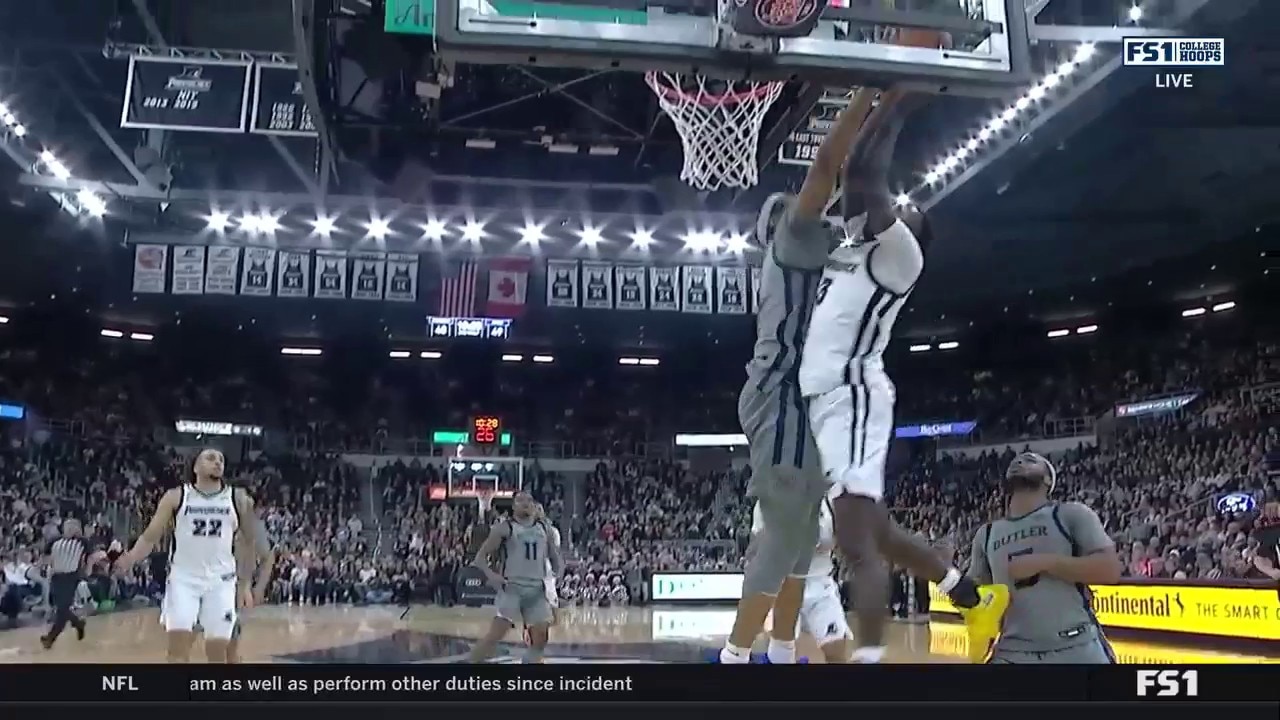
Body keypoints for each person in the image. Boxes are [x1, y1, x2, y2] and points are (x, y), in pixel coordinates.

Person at [795, 89, 1005, 663]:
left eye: (906, 209)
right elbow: (847, 180)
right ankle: (971, 596)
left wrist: (896, 100)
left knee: (856, 542)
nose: (896, 206)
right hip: (820, 401)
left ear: (912, 233)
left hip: (852, 395)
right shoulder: (852, 247)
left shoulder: (901, 256)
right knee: (878, 532)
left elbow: (862, 175)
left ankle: (870, 661)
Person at [717, 86, 885, 665]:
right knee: (786, 533)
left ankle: (782, 654)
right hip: (782, 392)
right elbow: (826, 168)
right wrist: (869, 93)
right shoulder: (793, 238)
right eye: (812, 204)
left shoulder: (823, 261)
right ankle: (735, 657)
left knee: (803, 542)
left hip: (806, 400)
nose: (825, 207)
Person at [967, 452, 1122, 663]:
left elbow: (1110, 569)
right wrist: (946, 569)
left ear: (1048, 480)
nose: (1020, 461)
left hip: (1076, 644)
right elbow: (972, 596)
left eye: (1031, 461)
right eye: (1016, 461)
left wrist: (1045, 562)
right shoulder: (986, 534)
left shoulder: (1069, 514)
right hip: (1012, 651)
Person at [115, 448, 260, 663]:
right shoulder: (177, 496)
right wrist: (130, 558)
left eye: (221, 459)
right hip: (184, 579)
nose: (218, 462)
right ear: (195, 467)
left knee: (218, 653)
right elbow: (151, 536)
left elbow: (249, 543)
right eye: (210, 458)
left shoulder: (237, 499)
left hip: (221, 581)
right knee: (177, 651)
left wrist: (246, 584)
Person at [752, 490, 851, 663]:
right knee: (781, 656)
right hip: (783, 586)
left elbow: (837, 542)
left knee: (836, 652)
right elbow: (760, 543)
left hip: (820, 584)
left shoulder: (827, 500)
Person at [468, 491, 563, 663]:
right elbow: (480, 558)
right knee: (495, 636)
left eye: (529, 500)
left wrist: (557, 575)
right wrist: (492, 575)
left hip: (537, 590)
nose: (525, 503)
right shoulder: (504, 528)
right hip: (512, 588)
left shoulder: (544, 529)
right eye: (520, 500)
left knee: (541, 638)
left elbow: (555, 558)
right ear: (513, 506)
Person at [40, 519, 101, 648]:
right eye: (68, 526)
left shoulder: (82, 541)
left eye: (73, 527)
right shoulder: (54, 540)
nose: (70, 529)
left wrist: (88, 570)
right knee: (62, 608)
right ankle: (78, 623)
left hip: (70, 577)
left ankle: (50, 638)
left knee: (62, 610)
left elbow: (91, 556)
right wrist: (45, 568)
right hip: (55, 576)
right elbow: (46, 556)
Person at [229, 511, 275, 663]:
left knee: (230, 629)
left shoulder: (253, 525)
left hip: (237, 584)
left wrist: (259, 587)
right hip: (211, 581)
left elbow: (268, 557)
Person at [524, 502, 562, 647]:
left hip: (545, 563)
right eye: (535, 510)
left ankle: (556, 620)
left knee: (550, 592)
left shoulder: (551, 530)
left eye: (539, 509)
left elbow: (555, 550)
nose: (537, 512)